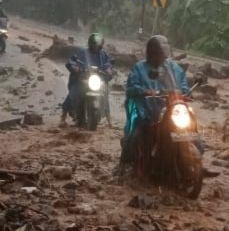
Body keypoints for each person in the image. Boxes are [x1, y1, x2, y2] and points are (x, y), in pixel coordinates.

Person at [120, 35, 190, 165]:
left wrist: (186, 92)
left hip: (169, 109)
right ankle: (122, 167)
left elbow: (183, 82)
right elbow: (131, 87)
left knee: (190, 129)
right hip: (145, 109)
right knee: (134, 134)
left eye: (164, 52)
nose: (162, 56)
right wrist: (144, 91)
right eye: (159, 53)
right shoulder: (139, 68)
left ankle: (195, 163)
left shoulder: (173, 67)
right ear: (151, 53)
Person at [60, 33, 113, 127]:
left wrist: (109, 71)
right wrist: (75, 67)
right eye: (94, 44)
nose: (96, 46)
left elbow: (108, 64)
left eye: (98, 44)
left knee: (105, 94)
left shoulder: (103, 54)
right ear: (90, 43)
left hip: (97, 79)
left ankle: (109, 120)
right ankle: (63, 117)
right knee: (74, 92)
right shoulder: (82, 52)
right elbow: (72, 61)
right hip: (83, 79)